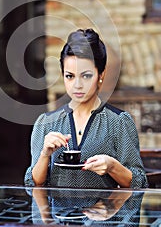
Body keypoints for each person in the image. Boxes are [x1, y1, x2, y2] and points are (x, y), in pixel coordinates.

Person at [24, 28, 148, 188]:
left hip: (103, 212)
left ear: (101, 75)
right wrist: (45, 155)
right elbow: (33, 184)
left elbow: (139, 182)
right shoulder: (45, 123)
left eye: (86, 75)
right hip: (59, 213)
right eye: (70, 76)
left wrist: (112, 167)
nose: (77, 85)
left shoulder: (118, 122)